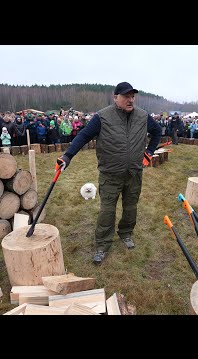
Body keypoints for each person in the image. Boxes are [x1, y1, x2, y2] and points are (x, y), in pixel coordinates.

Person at [55, 82, 162, 265]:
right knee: (107, 210)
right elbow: (83, 136)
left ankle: (126, 233)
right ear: (115, 98)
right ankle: (103, 244)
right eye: (126, 96)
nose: (130, 100)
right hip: (110, 173)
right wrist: (68, 156)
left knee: (130, 207)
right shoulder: (102, 117)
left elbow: (157, 131)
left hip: (134, 172)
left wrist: (150, 152)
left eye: (132, 96)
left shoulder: (143, 116)